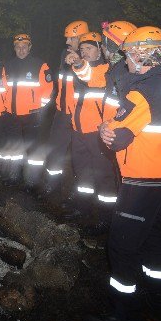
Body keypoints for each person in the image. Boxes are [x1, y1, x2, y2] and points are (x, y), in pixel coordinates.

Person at [87, 26, 161, 321]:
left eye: (129, 55)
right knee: (152, 239)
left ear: (143, 55)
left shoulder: (140, 93)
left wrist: (105, 128)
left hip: (143, 180)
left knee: (121, 245)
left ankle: (123, 312)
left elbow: (116, 139)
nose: (127, 61)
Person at [63, 32, 119, 233]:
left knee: (104, 176)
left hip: (97, 134)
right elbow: (73, 99)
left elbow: (90, 76)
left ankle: (106, 217)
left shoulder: (107, 70)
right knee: (82, 173)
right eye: (82, 49)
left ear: (99, 51)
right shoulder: (78, 72)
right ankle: (83, 208)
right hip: (78, 131)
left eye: (89, 48)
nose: (84, 52)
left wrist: (79, 64)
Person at [41, 20, 89, 196]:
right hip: (62, 113)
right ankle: (52, 187)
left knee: (80, 158)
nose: (67, 42)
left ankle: (79, 196)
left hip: (80, 115)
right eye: (67, 39)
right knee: (55, 150)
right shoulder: (64, 54)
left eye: (71, 39)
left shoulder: (89, 58)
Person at [1, 33, 52, 187]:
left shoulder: (40, 65)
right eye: (18, 47)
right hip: (12, 115)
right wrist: (5, 106)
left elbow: (48, 89)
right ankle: (13, 176)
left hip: (32, 115)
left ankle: (32, 181)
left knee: (33, 151)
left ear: (30, 47)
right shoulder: (7, 66)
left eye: (24, 47)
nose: (21, 50)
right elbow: (3, 89)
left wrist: (39, 108)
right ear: (14, 48)